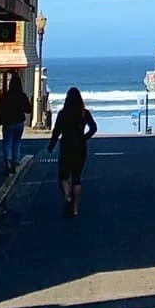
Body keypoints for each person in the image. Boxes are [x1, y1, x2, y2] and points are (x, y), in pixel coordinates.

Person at [48, 85, 98, 216]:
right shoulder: (84, 113)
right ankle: (75, 209)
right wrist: (84, 138)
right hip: (80, 147)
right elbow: (94, 128)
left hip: (66, 146)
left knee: (63, 176)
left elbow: (56, 131)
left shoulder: (62, 114)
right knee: (77, 178)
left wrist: (51, 146)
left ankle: (67, 195)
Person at [0, 72, 33, 175]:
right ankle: (15, 162)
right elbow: (28, 110)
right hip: (19, 121)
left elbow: (1, 108)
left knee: (7, 142)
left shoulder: (6, 95)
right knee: (17, 142)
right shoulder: (22, 96)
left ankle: (8, 161)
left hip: (8, 121)